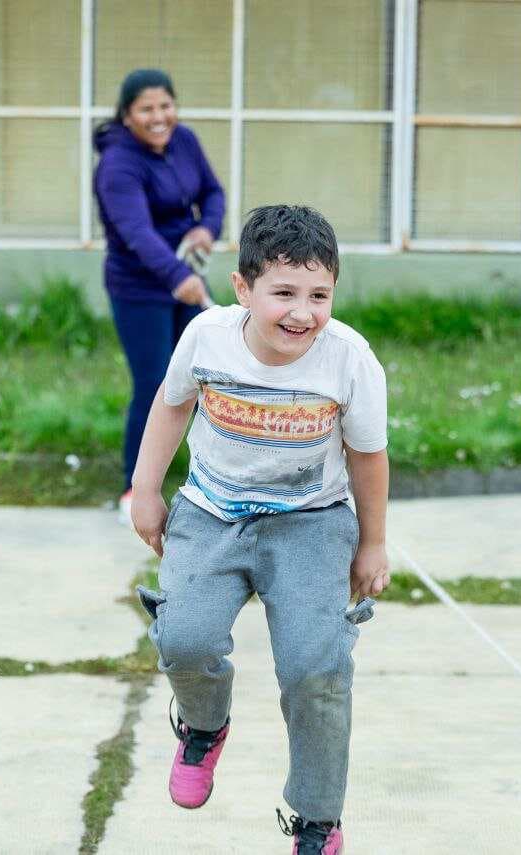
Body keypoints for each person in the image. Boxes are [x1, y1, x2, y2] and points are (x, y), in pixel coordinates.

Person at [130, 205, 389, 855]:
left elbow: (368, 455)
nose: (303, 313)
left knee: (314, 667)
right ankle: (203, 725)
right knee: (183, 637)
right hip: (211, 512)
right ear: (243, 288)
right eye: (284, 293)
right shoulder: (207, 337)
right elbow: (172, 405)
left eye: (319, 295)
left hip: (311, 522)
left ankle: (318, 818)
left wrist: (373, 542)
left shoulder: (348, 358)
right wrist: (146, 489)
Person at [93, 68, 226, 523]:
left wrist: (207, 229)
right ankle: (136, 489)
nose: (158, 117)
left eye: (165, 105)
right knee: (155, 383)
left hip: (184, 275)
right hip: (139, 287)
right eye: (146, 109)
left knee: (206, 375)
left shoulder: (184, 140)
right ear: (127, 115)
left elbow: (213, 191)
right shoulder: (117, 165)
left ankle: (210, 478)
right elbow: (136, 233)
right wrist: (175, 277)